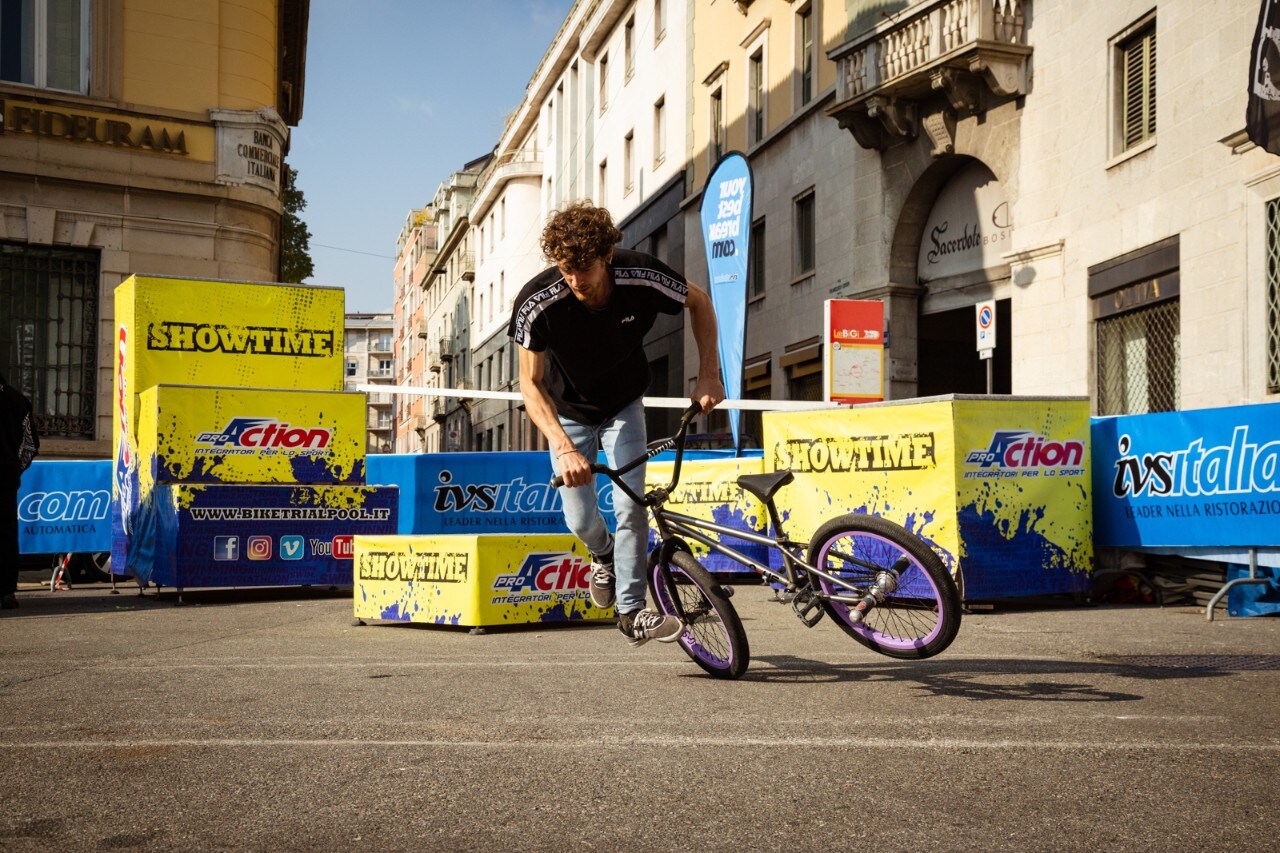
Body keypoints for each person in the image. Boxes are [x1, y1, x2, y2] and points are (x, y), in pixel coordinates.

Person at [508, 201, 725, 646]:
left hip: (625, 403)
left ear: (607, 255)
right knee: (581, 518)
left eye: (583, 268)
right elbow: (529, 385)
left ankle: (631, 612)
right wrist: (564, 446)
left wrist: (708, 372)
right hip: (567, 415)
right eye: (566, 269)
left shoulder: (640, 275)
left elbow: (699, 302)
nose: (575, 280)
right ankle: (600, 552)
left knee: (631, 506)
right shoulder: (538, 302)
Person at [1, 371, 39, 609]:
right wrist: (16, 470)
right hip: (4, 478)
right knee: (5, 535)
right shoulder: (18, 400)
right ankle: (6, 591)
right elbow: (30, 445)